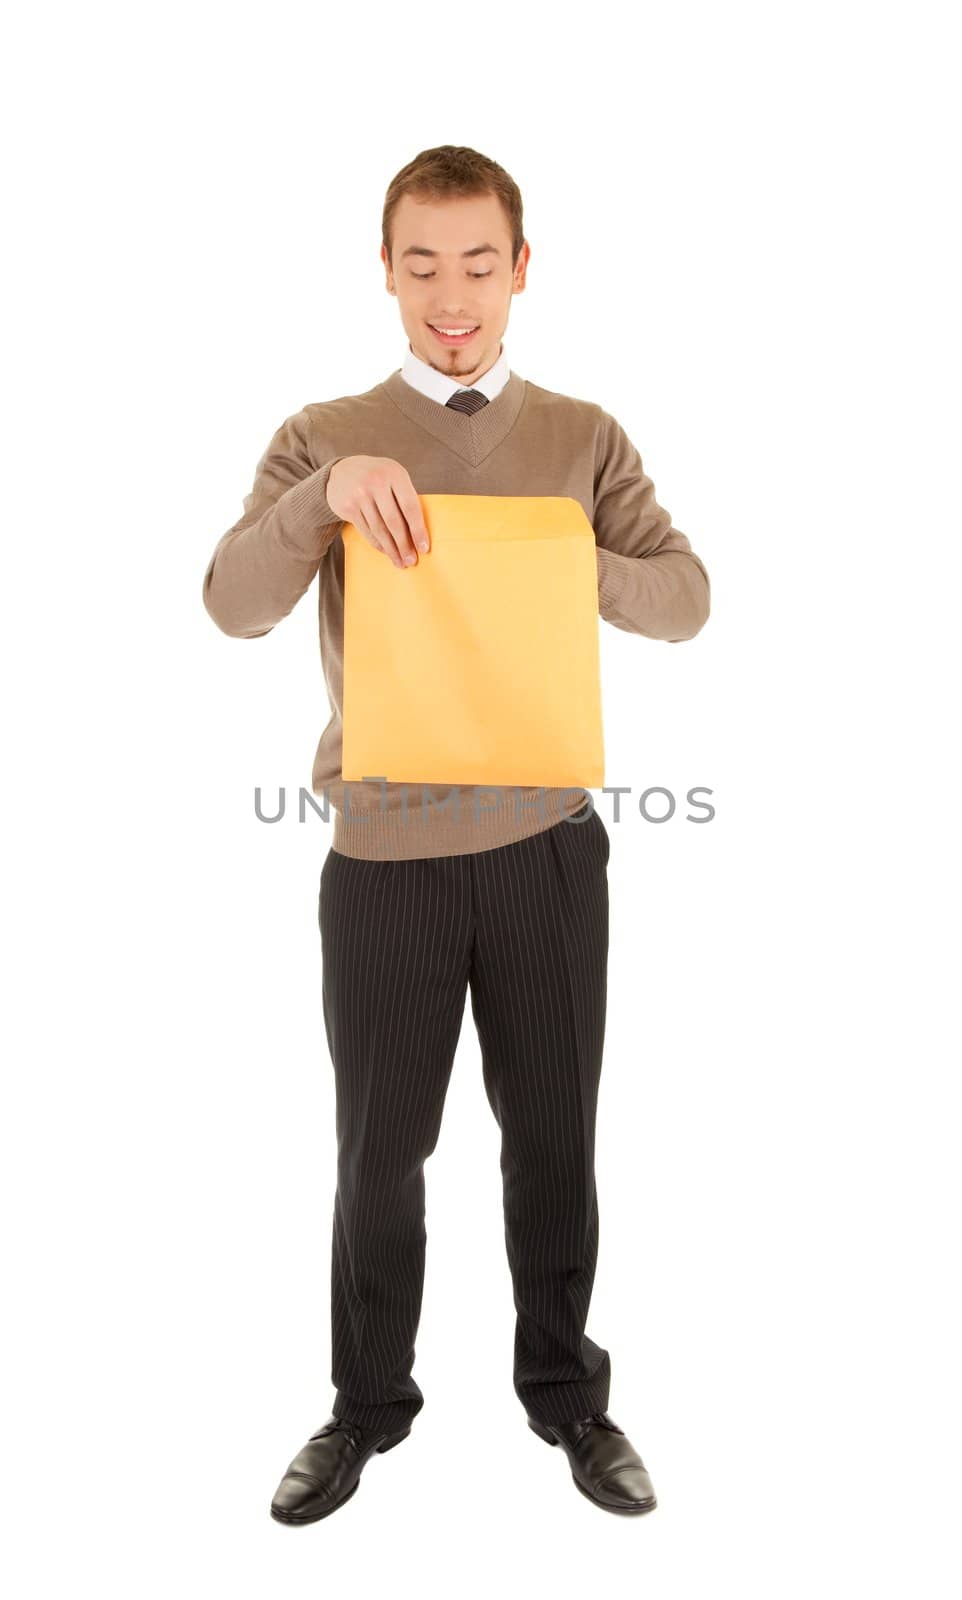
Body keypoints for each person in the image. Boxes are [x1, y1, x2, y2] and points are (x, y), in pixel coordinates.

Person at [201, 144, 710, 1523]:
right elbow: (232, 605)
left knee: (555, 1142)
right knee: (378, 1157)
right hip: (382, 863)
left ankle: (570, 1399)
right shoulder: (323, 429)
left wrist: (551, 556)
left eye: (477, 261)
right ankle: (363, 1410)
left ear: (519, 270)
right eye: (420, 261)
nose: (449, 292)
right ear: (385, 270)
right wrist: (324, 496)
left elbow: (683, 601)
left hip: (548, 852)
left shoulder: (582, 436)